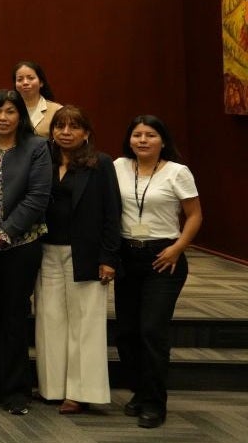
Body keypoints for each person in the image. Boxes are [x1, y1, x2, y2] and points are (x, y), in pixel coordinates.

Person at [114, 115, 202, 429]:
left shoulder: (177, 172)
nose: (143, 140)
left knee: (152, 330)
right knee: (126, 332)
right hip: (127, 256)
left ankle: (154, 403)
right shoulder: (118, 167)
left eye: (150, 135)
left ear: (162, 141)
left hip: (163, 258)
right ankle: (140, 391)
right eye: (137, 134)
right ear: (129, 139)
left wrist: (178, 247)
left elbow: (194, 215)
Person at [0, 90, 50, 415]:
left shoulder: (37, 147)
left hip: (21, 245)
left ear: (20, 116)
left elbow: (37, 197)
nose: (3, 118)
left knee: (14, 316)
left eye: (10, 112)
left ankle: (15, 391)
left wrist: (5, 233)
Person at [36, 106, 121, 415]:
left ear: (86, 133)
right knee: (50, 319)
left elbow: (112, 213)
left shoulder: (100, 163)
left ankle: (80, 392)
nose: (66, 132)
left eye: (73, 127)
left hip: (85, 253)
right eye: (60, 126)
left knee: (85, 324)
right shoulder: (44, 160)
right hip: (47, 251)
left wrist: (109, 257)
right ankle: (53, 387)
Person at [12, 60, 62, 138]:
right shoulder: (8, 109)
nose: (25, 82)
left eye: (30, 78)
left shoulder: (57, 110)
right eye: (20, 79)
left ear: (41, 82)